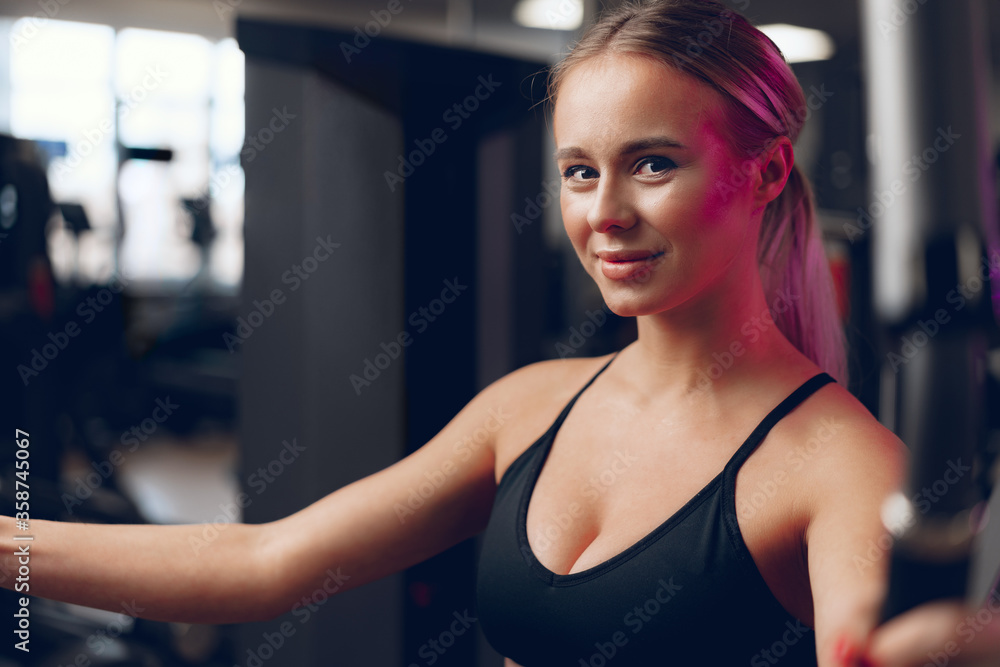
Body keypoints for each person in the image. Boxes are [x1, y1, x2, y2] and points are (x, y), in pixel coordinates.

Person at [3, 1, 998, 666]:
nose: (602, 212)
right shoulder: (528, 407)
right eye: (577, 171)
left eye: (651, 164)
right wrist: (11, 547)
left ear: (766, 173)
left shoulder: (841, 466)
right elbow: (265, 561)